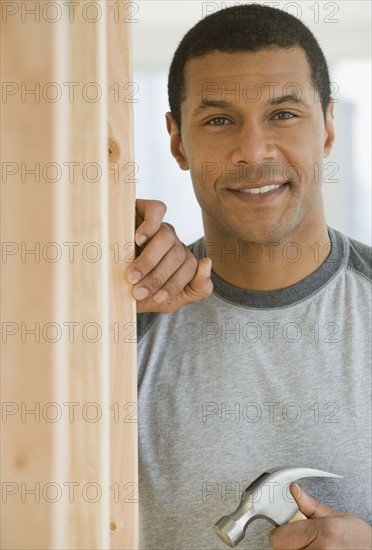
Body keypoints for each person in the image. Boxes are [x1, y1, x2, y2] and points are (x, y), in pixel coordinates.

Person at [130, 5, 372, 549]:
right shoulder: (122, 320)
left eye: (283, 114)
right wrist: (76, 276)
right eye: (219, 120)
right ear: (176, 141)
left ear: (329, 126)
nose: (254, 151)